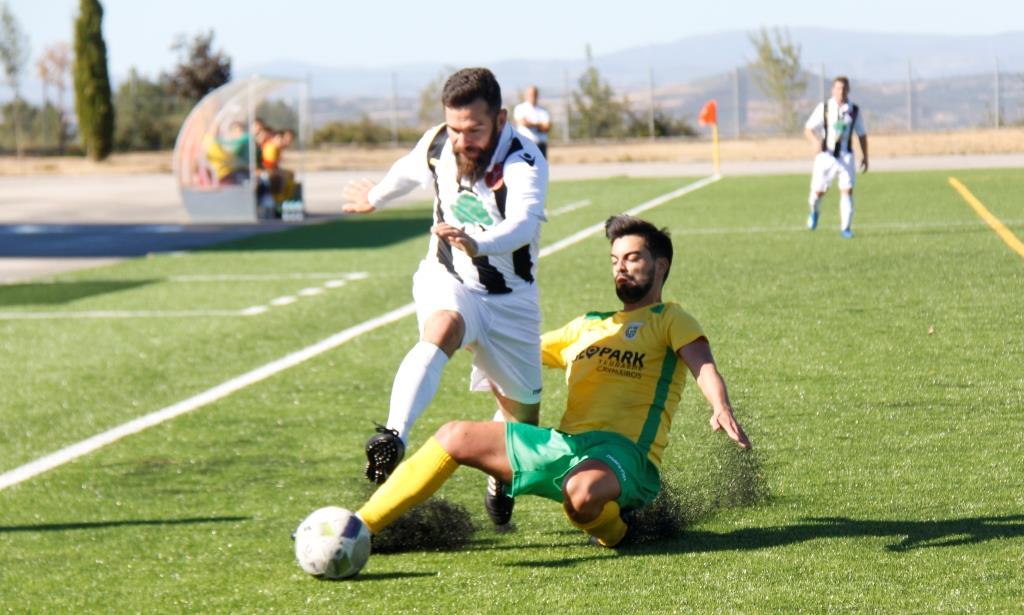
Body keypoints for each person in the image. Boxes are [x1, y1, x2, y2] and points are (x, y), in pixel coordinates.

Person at [348, 215, 751, 554]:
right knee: (453, 435)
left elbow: (702, 364)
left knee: (582, 494)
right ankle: (359, 528)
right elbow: (517, 352)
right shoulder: (588, 325)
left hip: (625, 456)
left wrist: (720, 405)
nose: (621, 267)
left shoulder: (670, 318)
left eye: (632, 258)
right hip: (564, 447)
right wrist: (465, 329)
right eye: (615, 260)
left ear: (660, 265)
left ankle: (620, 531)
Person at [341, 67, 549, 526]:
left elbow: (524, 224)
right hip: (449, 277)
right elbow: (409, 168)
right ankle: (393, 434)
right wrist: (375, 196)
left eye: (473, 129)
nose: (461, 139)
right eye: (455, 128)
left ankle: (498, 476)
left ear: (500, 118)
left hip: (510, 301)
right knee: (445, 325)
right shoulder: (439, 143)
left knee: (523, 422)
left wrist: (480, 243)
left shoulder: (523, 160)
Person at [803, 76, 868, 238]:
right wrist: (815, 142)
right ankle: (814, 212)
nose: (841, 91)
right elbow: (808, 129)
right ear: (832, 90)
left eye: (844, 88)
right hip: (826, 157)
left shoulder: (854, 110)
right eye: (838, 88)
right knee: (818, 193)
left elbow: (861, 135)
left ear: (848, 90)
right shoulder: (824, 108)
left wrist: (865, 156)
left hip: (846, 156)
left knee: (847, 191)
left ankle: (846, 228)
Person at [512, 85, 551, 158]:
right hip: (525, 144)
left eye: (534, 94)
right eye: (531, 94)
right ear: (526, 95)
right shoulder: (520, 108)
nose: (533, 96)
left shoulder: (543, 110)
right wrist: (539, 124)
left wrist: (531, 123)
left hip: (540, 145)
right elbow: (523, 123)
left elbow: (547, 127)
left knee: (541, 167)